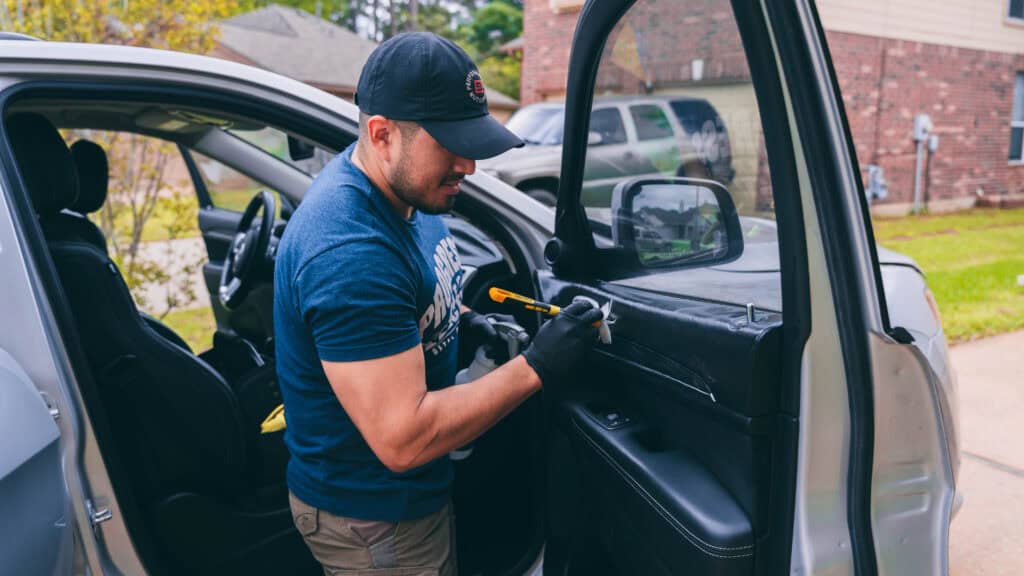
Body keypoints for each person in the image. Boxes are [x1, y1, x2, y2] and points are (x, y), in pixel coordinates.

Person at [273, 32, 603, 575]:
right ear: (382, 135)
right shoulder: (350, 251)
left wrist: (468, 320)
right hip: (376, 522)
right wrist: (537, 366)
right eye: (449, 144)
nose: (467, 166)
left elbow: (414, 291)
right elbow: (404, 439)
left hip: (407, 500)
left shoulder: (406, 192)